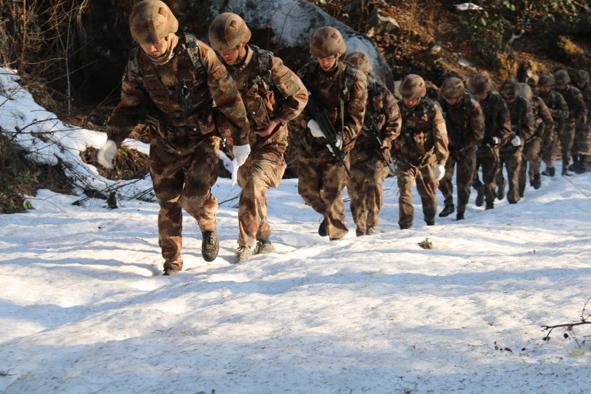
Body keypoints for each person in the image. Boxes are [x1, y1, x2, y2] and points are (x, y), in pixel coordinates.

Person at [97, 0, 250, 275]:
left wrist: (241, 139)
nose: (153, 48)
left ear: (170, 33)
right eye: (146, 43)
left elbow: (229, 98)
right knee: (167, 203)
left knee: (193, 198)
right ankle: (172, 265)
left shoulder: (199, 55)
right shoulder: (138, 63)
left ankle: (208, 225)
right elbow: (130, 104)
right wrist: (113, 140)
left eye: (157, 41)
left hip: (202, 140)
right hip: (165, 140)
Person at [208, 12, 308, 262]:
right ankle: (265, 238)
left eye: (230, 49)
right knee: (252, 192)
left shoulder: (267, 65)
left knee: (253, 184)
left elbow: (300, 95)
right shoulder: (217, 71)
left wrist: (277, 121)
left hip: (271, 144)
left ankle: (245, 244)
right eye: (221, 50)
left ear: (242, 44)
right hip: (241, 146)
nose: (226, 55)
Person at [297, 26, 368, 240]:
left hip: (337, 146)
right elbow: (295, 105)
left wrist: (342, 138)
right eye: (320, 58)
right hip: (311, 144)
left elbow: (357, 118)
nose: (324, 62)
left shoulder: (353, 79)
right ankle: (329, 216)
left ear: (338, 54)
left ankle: (337, 240)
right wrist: (309, 123)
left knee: (332, 193)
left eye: (329, 57)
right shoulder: (306, 74)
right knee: (306, 192)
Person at [344, 52, 401, 235]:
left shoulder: (380, 93)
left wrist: (387, 139)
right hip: (353, 149)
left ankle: (372, 224)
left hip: (376, 150)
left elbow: (395, 118)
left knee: (375, 183)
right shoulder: (343, 93)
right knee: (355, 190)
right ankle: (360, 227)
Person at [393, 74, 448, 229]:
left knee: (429, 195)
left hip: (427, 159)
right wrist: (390, 155)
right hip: (405, 159)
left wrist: (441, 161)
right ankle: (405, 227)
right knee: (405, 193)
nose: (408, 101)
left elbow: (440, 134)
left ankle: (430, 223)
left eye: (412, 98)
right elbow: (390, 132)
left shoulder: (431, 108)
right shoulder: (397, 108)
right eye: (405, 98)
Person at [437, 77, 484, 220]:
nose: (449, 101)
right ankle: (449, 202)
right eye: (447, 98)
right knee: (442, 177)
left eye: (452, 98)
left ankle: (461, 212)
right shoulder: (441, 104)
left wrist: (465, 147)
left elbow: (478, 133)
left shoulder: (472, 105)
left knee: (463, 183)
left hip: (467, 146)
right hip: (449, 147)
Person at [470, 74, 512, 210]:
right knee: (470, 175)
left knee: (490, 176)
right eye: (477, 94)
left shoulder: (497, 101)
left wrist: (498, 138)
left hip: (491, 143)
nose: (479, 97)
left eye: (481, 94)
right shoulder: (469, 100)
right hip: (473, 144)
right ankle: (479, 189)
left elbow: (505, 125)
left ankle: (489, 203)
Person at [497, 79, 534, 203]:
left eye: (511, 97)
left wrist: (521, 137)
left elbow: (529, 126)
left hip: (515, 143)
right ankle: (500, 184)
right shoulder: (496, 102)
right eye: (506, 97)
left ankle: (513, 201)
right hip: (498, 142)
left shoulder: (523, 104)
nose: (509, 100)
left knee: (513, 175)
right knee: (495, 172)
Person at [554, 69, 587, 175]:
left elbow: (582, 109)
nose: (560, 85)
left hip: (572, 122)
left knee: (572, 145)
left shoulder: (574, 92)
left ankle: (570, 167)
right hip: (556, 122)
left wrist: (575, 120)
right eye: (558, 83)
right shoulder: (554, 92)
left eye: (561, 83)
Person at [537, 74, 569, 177]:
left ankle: (550, 168)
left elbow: (565, 113)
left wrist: (552, 112)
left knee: (550, 147)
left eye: (546, 86)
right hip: (537, 126)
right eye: (541, 86)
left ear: (550, 86)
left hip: (552, 127)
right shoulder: (535, 96)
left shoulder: (557, 97)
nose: (543, 88)